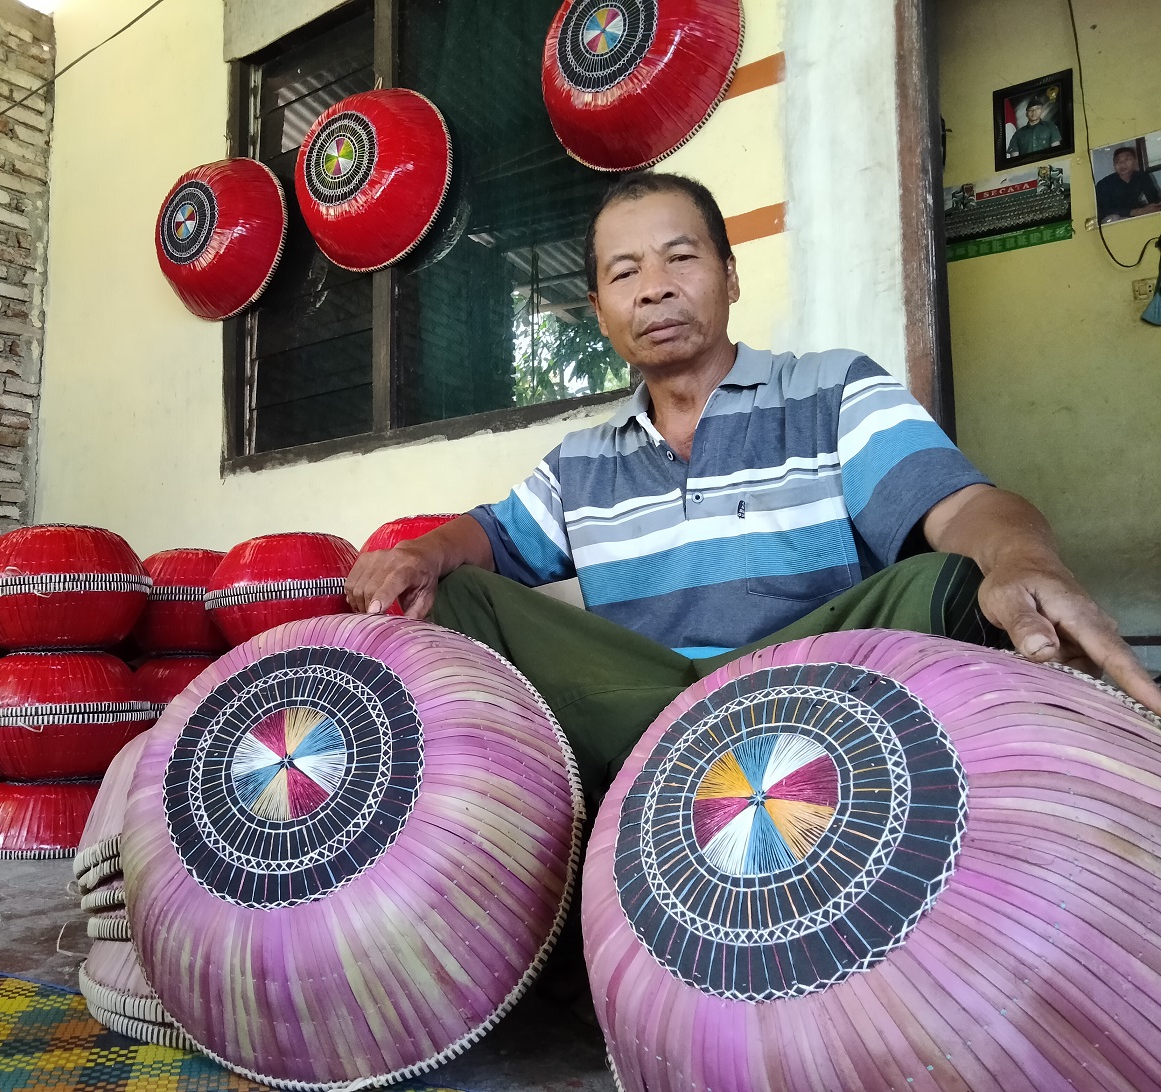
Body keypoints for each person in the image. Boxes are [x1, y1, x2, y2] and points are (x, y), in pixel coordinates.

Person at [347, 172, 1161, 803]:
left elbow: (964, 506)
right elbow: (491, 536)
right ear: (598, 310)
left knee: (950, 580)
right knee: (455, 596)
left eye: (681, 257)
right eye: (625, 272)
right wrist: (422, 552)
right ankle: (543, 843)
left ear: (731, 277)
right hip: (642, 714)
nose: (655, 287)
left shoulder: (831, 390)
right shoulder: (580, 461)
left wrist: (1023, 559)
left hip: (812, 686)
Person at [1095, 146, 1161, 223]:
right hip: (1112, 217)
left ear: (1135, 162)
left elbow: (1154, 199)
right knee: (1113, 218)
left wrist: (1154, 207)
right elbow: (1104, 210)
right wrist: (1137, 212)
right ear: (1114, 166)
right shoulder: (1104, 184)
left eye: (1127, 159)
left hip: (1134, 213)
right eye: (1117, 161)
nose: (1122, 164)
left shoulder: (1142, 177)